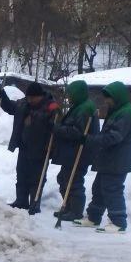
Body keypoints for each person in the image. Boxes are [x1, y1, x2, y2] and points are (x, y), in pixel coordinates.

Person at [79, 81, 131, 232]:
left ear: (117, 96)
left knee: (112, 189)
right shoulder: (117, 110)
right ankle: (93, 218)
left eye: (109, 98)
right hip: (110, 158)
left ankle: (118, 222)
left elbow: (114, 137)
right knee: (99, 188)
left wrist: (91, 139)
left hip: (119, 159)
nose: (106, 101)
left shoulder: (127, 112)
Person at [0, 81, 59, 213]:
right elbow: (11, 108)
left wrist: (32, 116)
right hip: (24, 146)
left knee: (36, 177)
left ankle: (35, 202)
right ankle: (21, 200)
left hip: (41, 148)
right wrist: (2, 98)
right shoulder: (24, 102)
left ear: (40, 96)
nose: (30, 100)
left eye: (33, 98)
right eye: (28, 97)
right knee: (21, 174)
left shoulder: (51, 105)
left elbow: (54, 123)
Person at [51, 79, 99, 221]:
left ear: (77, 93)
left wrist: (57, 129)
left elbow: (77, 133)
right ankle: (69, 206)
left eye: (71, 94)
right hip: (72, 152)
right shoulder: (79, 106)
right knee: (64, 178)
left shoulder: (85, 109)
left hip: (80, 152)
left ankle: (76, 212)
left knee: (74, 180)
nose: (69, 97)